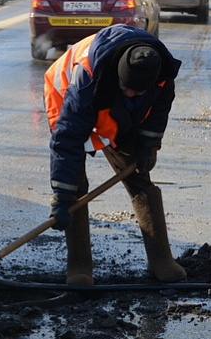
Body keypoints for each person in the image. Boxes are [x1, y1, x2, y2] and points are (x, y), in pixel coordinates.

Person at [45, 24, 186, 286]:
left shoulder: (161, 74)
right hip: (65, 98)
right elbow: (68, 140)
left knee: (139, 175)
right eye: (127, 88)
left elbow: (157, 114)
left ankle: (161, 260)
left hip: (119, 110)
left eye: (138, 92)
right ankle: (79, 268)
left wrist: (148, 145)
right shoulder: (85, 80)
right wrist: (62, 197)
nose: (133, 93)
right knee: (75, 186)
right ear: (119, 78)